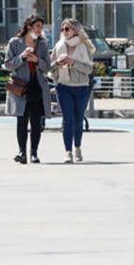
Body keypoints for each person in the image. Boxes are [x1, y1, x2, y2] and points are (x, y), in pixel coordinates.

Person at [5, 14, 51, 164]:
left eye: (41, 27)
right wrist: (23, 57)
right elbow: (8, 64)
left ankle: (34, 153)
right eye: (37, 26)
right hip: (20, 86)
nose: (39, 30)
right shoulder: (14, 43)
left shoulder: (42, 44)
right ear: (29, 27)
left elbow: (47, 67)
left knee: (36, 122)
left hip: (36, 85)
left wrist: (37, 60)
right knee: (21, 120)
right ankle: (22, 152)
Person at [50, 18, 94, 163]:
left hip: (81, 87)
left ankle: (77, 147)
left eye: (67, 29)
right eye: (62, 29)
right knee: (67, 119)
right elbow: (50, 68)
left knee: (78, 119)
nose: (64, 32)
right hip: (63, 86)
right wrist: (58, 63)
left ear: (75, 30)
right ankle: (68, 152)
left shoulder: (84, 46)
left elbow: (88, 69)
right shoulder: (58, 46)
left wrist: (72, 62)